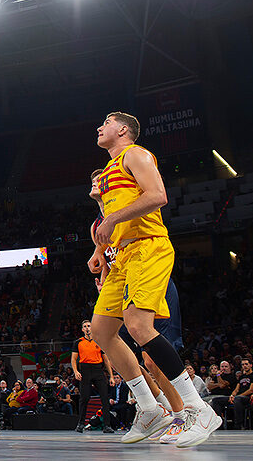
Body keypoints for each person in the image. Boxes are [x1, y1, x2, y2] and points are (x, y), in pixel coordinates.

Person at [87, 112, 220, 447]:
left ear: (123, 129)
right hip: (122, 256)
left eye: (107, 122)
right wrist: (101, 248)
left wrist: (111, 219)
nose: (100, 127)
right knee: (101, 331)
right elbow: (115, 219)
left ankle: (197, 408)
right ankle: (149, 408)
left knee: (138, 326)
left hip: (148, 247)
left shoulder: (136, 154)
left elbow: (158, 195)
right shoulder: (108, 172)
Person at [89, 168, 187, 443]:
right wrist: (103, 277)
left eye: (100, 179)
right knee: (124, 354)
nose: (96, 182)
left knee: (152, 358)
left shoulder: (127, 205)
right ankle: (157, 409)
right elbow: (108, 260)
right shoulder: (97, 225)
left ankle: (184, 414)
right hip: (123, 283)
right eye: (93, 180)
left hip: (149, 277)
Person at [71, 320, 115, 434]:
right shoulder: (78, 342)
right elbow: (73, 359)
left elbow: (106, 360)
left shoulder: (99, 341)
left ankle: (107, 425)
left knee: (104, 398)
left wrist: (111, 376)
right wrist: (76, 371)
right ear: (82, 329)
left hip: (98, 370)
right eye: (85, 326)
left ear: (92, 328)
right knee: (84, 398)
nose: (87, 328)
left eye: (89, 326)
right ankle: (81, 423)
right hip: (85, 370)